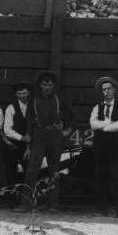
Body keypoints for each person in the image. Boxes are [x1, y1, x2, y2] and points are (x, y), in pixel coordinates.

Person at [22, 71, 73, 211]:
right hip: (38, 136)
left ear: (54, 86)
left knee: (54, 171)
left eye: (50, 84)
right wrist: (28, 142)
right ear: (40, 85)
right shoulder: (34, 100)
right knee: (32, 170)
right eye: (45, 84)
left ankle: (52, 205)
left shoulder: (59, 99)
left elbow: (72, 116)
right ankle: (25, 204)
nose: (47, 87)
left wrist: (66, 130)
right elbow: (28, 121)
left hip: (55, 137)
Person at [89, 76, 118, 219]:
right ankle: (101, 210)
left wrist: (103, 126)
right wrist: (110, 123)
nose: (107, 91)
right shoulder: (97, 107)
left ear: (114, 90)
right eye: (104, 89)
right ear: (101, 92)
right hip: (99, 147)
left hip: (114, 146)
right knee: (100, 177)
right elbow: (92, 124)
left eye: (109, 88)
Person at [1, 81, 33, 208]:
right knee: (11, 173)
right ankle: (11, 201)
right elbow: (7, 130)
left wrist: (29, 141)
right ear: (16, 95)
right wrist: (22, 138)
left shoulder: (33, 106)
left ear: (28, 93)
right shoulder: (11, 107)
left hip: (29, 144)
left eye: (24, 93)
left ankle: (25, 201)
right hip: (13, 144)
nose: (22, 95)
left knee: (28, 173)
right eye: (19, 93)